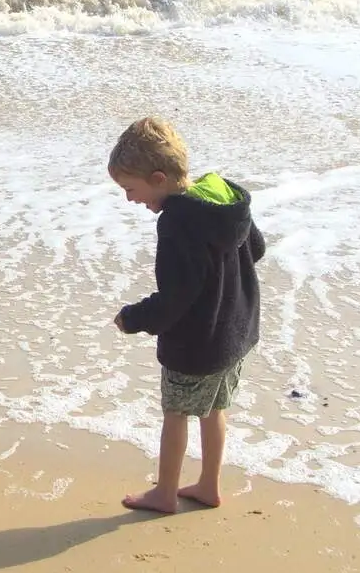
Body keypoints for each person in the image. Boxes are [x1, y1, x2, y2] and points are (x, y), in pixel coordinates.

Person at [110, 117, 266, 514]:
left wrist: (134, 317)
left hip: (196, 344)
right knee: (215, 409)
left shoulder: (177, 223)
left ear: (158, 178)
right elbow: (257, 247)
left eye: (131, 189)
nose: (130, 199)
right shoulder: (222, 198)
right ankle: (209, 485)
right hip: (234, 334)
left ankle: (165, 492)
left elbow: (176, 298)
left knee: (176, 413)